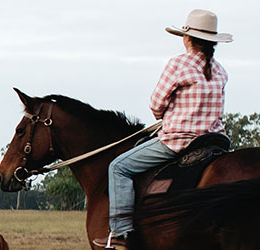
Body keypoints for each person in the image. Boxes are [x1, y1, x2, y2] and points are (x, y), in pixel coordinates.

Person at [96, 9, 232, 250]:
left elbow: (156, 103)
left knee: (118, 167)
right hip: (214, 142)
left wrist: (166, 117)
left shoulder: (178, 64)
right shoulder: (221, 70)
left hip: (179, 141)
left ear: (187, 38)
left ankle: (120, 236)